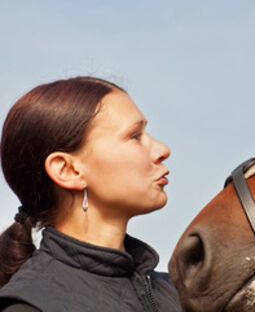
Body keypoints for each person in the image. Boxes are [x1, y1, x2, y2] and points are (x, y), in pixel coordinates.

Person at [0, 77, 181, 312]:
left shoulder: (184, 296)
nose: (162, 150)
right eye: (135, 136)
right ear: (68, 170)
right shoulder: (30, 306)